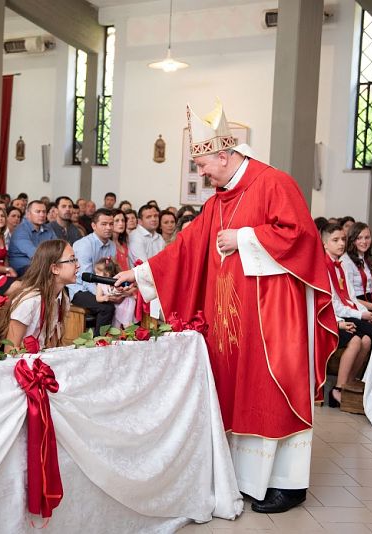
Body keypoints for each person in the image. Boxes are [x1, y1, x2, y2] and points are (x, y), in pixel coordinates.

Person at [114, 102, 336, 513]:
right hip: (232, 320)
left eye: (202, 165)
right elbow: (186, 247)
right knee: (236, 389)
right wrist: (140, 274)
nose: (201, 174)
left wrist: (246, 238)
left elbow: (301, 237)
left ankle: (287, 484)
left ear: (224, 155)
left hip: (272, 316)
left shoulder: (274, 182)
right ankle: (248, 479)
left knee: (272, 388)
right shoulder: (217, 202)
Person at [322, 223, 372, 407]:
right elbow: (331, 304)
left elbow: (351, 297)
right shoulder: (323, 267)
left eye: (343, 239)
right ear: (324, 244)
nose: (341, 244)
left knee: (366, 340)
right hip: (328, 319)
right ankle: (337, 389)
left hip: (344, 312)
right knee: (357, 340)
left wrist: (365, 312)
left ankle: (348, 384)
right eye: (335, 240)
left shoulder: (342, 265)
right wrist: (355, 318)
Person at [0, 240, 75, 351]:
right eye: (72, 260)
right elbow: (10, 350)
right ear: (55, 269)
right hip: (21, 360)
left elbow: (53, 344)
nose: (78, 265)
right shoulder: (29, 301)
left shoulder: (62, 298)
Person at [68, 209, 121, 332]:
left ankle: (119, 335)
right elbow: (86, 278)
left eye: (111, 224)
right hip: (79, 288)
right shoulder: (84, 245)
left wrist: (115, 291)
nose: (108, 228)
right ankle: (99, 341)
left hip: (101, 287)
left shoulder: (112, 245)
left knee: (125, 300)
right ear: (93, 226)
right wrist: (104, 294)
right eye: (104, 224)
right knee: (107, 308)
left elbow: (111, 273)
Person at [343, 222, 372, 312]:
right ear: (352, 239)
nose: (364, 241)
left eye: (367, 237)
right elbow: (350, 298)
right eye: (359, 238)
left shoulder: (366, 258)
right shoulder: (346, 261)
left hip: (369, 302)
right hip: (356, 306)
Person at [8, 200, 55, 276]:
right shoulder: (20, 230)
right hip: (22, 268)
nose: (42, 215)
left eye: (44, 212)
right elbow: (34, 254)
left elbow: (58, 248)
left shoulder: (48, 229)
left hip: (42, 264)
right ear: (28, 214)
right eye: (38, 212)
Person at [94, 257, 135, 328]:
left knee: (127, 325)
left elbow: (132, 288)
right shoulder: (100, 285)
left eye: (98, 273)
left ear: (107, 274)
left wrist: (126, 293)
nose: (96, 275)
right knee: (115, 326)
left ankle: (129, 331)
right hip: (115, 306)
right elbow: (98, 298)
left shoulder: (118, 280)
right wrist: (105, 298)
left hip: (125, 304)